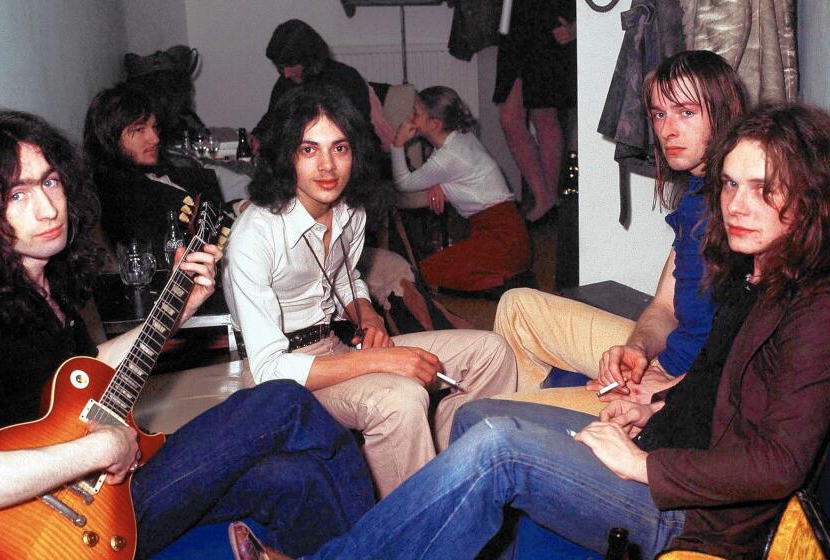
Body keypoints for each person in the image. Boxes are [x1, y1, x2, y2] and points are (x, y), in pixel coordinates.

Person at [230, 102, 830, 560]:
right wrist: (655, 408)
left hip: (693, 509)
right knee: (471, 418)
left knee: (496, 448)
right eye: (730, 184)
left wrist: (644, 465)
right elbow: (721, 384)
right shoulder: (753, 273)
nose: (736, 205)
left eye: (762, 188)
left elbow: (778, 465)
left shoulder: (815, 306)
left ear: (806, 196)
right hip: (668, 443)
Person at [0, 110, 374, 558]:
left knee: (296, 481)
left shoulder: (43, 285)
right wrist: (97, 450)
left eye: (49, 182)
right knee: (282, 399)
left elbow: (83, 370)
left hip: (103, 495)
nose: (47, 208)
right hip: (49, 534)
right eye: (17, 194)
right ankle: (380, 548)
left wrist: (177, 310)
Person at [222, 84, 516, 498]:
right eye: (310, 150)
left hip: (336, 347)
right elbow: (271, 368)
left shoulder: (350, 211)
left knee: (491, 353)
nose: (327, 166)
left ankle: (455, 482)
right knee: (402, 397)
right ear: (287, 154)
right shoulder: (254, 236)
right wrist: (382, 360)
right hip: (282, 376)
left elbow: (345, 278)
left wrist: (369, 315)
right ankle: (411, 526)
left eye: (340, 149)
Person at [495, 50, 747, 409]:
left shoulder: (741, 208)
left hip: (687, 391)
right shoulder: (696, 194)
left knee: (502, 416)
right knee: (516, 305)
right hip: (665, 363)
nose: (667, 130)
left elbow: (744, 354)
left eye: (686, 112)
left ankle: (535, 422)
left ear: (726, 111)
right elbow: (664, 306)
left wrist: (664, 390)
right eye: (659, 114)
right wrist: (637, 348)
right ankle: (540, 416)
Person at [391, 86, 530, 292]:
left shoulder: (447, 158)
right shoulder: (461, 137)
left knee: (423, 273)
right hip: (509, 234)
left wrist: (397, 144)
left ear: (435, 124)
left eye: (416, 113)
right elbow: (450, 170)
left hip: (503, 239)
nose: (410, 117)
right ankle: (503, 278)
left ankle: (504, 282)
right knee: (433, 270)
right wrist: (437, 182)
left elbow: (403, 183)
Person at [84, 82, 232, 267]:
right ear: (109, 138)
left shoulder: (157, 172)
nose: (155, 138)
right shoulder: (122, 199)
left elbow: (213, 214)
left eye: (154, 127)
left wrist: (239, 206)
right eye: (139, 130)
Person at [495, 0, 576, 222]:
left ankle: (545, 201)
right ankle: (546, 199)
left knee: (544, 115)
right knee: (511, 118)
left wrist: (578, 25)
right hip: (517, 25)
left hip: (550, 25)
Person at [251, 19, 371, 148]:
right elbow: (271, 119)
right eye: (280, 67)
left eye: (290, 65)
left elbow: (355, 133)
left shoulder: (345, 79)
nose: (286, 73)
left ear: (308, 59)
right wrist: (256, 137)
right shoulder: (285, 83)